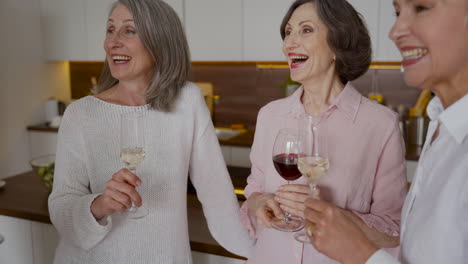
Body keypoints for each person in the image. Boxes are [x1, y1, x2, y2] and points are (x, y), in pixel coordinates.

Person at [48, 0, 252, 263]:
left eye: (129, 31)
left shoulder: (187, 101)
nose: (113, 42)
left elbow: (217, 195)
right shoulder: (81, 114)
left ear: (160, 42)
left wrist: (261, 252)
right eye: (110, 30)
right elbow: (61, 207)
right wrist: (101, 204)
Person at [240, 0, 408, 263]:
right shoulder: (270, 115)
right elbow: (253, 191)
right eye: (288, 32)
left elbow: (393, 229)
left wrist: (329, 214)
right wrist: (259, 203)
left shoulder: (380, 124)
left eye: (306, 30)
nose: (289, 44)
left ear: (338, 44)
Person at [303, 0, 468, 263]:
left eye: (422, 8)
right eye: (397, 12)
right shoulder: (441, 125)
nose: (394, 31)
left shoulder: (383, 122)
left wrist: (360, 252)